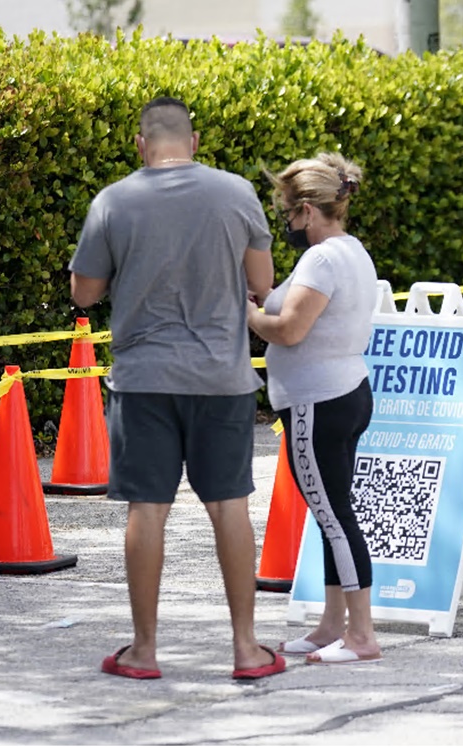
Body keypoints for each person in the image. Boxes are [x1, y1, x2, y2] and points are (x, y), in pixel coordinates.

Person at [70, 96, 285, 680]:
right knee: (229, 506)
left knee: (148, 509)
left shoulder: (112, 200)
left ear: (140, 145)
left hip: (143, 380)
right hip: (222, 377)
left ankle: (143, 650)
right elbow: (262, 283)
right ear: (193, 143)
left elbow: (84, 293)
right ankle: (246, 648)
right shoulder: (236, 192)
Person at [246, 153, 382, 664]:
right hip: (341, 393)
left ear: (307, 209)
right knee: (332, 514)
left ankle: (362, 635)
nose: (286, 222)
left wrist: (252, 316)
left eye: (287, 211)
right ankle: (332, 625)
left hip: (318, 403)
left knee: (335, 515)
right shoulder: (351, 252)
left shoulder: (322, 259)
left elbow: (290, 329)